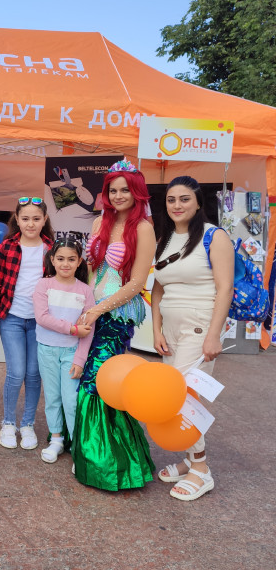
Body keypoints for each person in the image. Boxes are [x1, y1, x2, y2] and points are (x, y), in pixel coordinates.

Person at [71, 159, 156, 490]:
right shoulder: (100, 223)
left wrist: (98, 310)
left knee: (100, 380)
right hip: (92, 308)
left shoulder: (144, 228)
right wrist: (85, 304)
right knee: (84, 374)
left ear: (137, 193)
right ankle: (88, 453)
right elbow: (93, 270)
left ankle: (108, 464)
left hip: (117, 315)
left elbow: (136, 283)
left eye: (125, 190)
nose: (118, 196)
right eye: (112, 191)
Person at [152, 175, 233, 501]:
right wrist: (156, 330)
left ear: (198, 202)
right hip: (170, 330)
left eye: (184, 199)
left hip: (200, 328)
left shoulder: (215, 236)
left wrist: (213, 335)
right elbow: (158, 288)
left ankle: (201, 467)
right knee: (177, 395)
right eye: (171, 199)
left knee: (182, 396)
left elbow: (225, 288)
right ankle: (189, 458)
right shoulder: (165, 239)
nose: (177, 205)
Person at [0, 197, 54, 450]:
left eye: (36, 219)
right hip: (11, 318)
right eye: (25, 219)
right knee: (16, 373)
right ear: (17, 219)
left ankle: (27, 424)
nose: (30, 224)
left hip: (41, 322)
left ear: (44, 220)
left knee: (34, 374)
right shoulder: (7, 247)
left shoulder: (51, 249)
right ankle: (8, 423)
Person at [33, 238, 95, 463]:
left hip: (71, 353)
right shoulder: (44, 285)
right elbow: (42, 318)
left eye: (71, 259)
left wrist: (80, 359)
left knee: (70, 400)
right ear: (52, 260)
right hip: (47, 350)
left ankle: (77, 446)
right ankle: (56, 439)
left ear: (79, 262)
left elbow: (88, 329)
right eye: (60, 259)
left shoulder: (85, 291)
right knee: (52, 397)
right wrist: (72, 328)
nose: (65, 264)